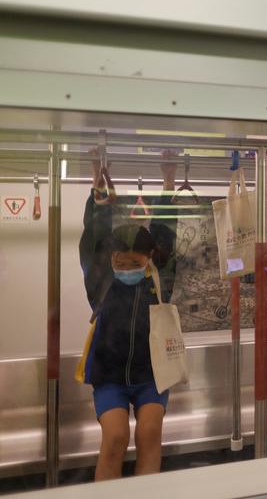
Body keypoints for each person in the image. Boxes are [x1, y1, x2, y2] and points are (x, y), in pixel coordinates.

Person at [79, 150, 177, 480]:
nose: (125, 269)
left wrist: (168, 182)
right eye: (120, 262)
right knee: (115, 438)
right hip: (109, 375)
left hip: (152, 373)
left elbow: (165, 232)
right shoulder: (101, 281)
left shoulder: (160, 280)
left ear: (149, 258)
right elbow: (93, 237)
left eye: (134, 264)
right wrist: (98, 191)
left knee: (149, 434)